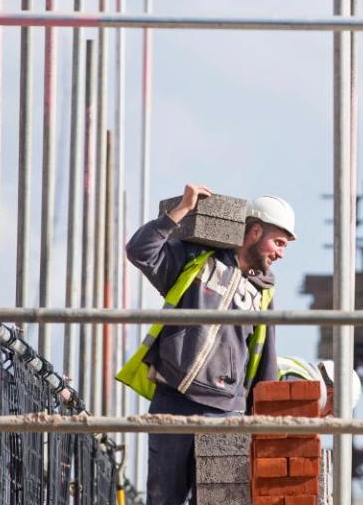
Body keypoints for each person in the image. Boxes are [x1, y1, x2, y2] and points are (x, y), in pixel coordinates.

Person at [122, 183, 296, 505]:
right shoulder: (196, 262)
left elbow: (264, 365)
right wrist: (182, 210)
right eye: (279, 242)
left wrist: (263, 428)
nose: (281, 253)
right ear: (255, 231)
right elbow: (140, 251)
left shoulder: (263, 294)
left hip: (226, 413)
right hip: (174, 399)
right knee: (163, 499)